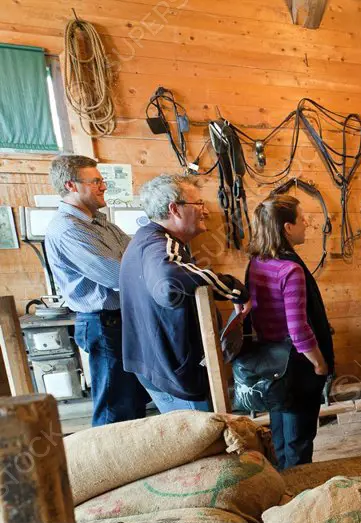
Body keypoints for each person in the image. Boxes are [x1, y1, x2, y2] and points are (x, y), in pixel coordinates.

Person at [120, 174, 249, 413]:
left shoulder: (147, 239)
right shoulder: (159, 245)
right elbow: (169, 283)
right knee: (203, 442)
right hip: (172, 370)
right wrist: (233, 288)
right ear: (174, 209)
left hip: (157, 365)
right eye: (198, 204)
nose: (205, 211)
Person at [43, 156, 149, 426]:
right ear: (71, 185)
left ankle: (133, 463)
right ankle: (108, 465)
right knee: (115, 407)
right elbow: (117, 274)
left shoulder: (100, 222)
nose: (104, 187)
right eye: (96, 181)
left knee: (132, 399)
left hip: (119, 321)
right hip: (104, 324)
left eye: (102, 181)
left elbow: (135, 253)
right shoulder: (68, 229)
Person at [246, 194, 334, 469]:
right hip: (298, 367)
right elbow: (298, 329)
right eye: (302, 217)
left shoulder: (256, 262)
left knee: (281, 437)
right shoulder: (290, 269)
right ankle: (296, 498)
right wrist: (320, 363)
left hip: (273, 364)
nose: (307, 222)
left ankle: (281, 488)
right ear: (287, 227)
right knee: (299, 442)